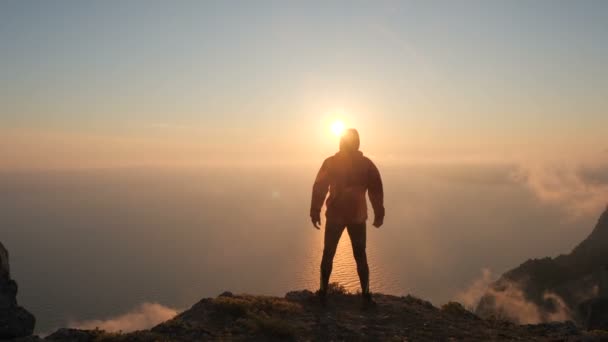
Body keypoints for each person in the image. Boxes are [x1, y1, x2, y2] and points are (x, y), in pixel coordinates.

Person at [310, 128, 384, 306]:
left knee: (328, 254)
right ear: (357, 143)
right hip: (357, 217)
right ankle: (366, 296)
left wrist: (315, 210)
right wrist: (378, 212)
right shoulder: (366, 165)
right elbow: (376, 189)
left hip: (336, 216)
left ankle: (323, 293)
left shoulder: (331, 163)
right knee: (360, 255)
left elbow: (319, 187)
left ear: (340, 142)